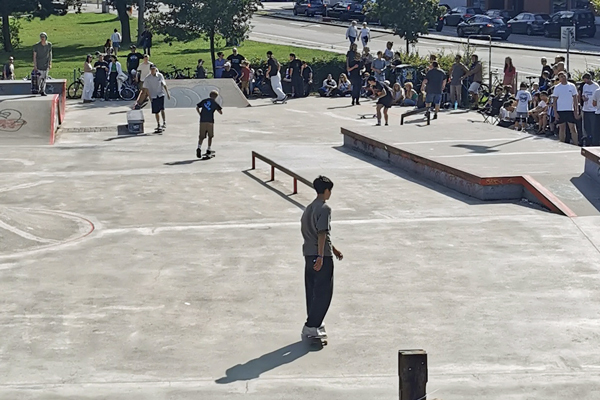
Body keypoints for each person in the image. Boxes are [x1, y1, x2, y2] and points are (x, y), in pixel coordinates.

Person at [300, 175, 343, 340]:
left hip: (308, 253)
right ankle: (311, 326)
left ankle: (315, 322)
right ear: (326, 191)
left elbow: (314, 233)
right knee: (324, 291)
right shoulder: (324, 208)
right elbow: (322, 232)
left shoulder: (309, 208)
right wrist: (321, 256)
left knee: (312, 290)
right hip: (321, 256)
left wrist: (334, 249)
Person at [552, 71, 579, 146]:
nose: (563, 77)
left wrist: (576, 110)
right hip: (561, 110)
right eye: (561, 76)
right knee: (562, 128)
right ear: (559, 78)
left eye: (564, 76)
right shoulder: (557, 88)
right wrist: (555, 112)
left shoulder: (572, 86)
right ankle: (562, 144)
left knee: (573, 128)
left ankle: (575, 144)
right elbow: (554, 101)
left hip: (570, 110)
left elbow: (575, 99)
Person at [196, 90, 223, 158]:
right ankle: (208, 149)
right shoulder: (214, 103)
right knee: (210, 136)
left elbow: (197, 107)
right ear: (216, 97)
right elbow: (220, 112)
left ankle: (199, 148)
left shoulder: (204, 100)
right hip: (210, 121)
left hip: (202, 120)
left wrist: (200, 114)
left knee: (201, 136)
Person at [144, 64, 170, 131]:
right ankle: (158, 123)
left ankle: (164, 122)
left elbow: (164, 84)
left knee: (162, 109)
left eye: (154, 69)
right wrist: (149, 97)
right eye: (152, 69)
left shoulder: (159, 75)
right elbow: (146, 89)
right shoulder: (147, 78)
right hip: (153, 96)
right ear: (150, 70)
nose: (153, 70)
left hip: (160, 94)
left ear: (156, 69)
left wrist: (167, 93)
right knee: (156, 111)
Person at [581, 73, 599, 145]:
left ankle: (594, 141)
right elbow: (583, 94)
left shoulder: (595, 86)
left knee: (593, 126)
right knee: (586, 126)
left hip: (593, 109)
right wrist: (583, 98)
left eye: (586, 79)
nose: (585, 81)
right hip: (586, 108)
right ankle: (588, 139)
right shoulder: (585, 86)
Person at [32, 32, 52, 96]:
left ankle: (43, 90)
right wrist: (35, 65)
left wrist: (50, 63)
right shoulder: (37, 46)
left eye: (43, 37)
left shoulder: (49, 45)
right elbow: (34, 56)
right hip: (39, 64)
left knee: (45, 77)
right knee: (39, 77)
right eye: (41, 37)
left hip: (45, 64)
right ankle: (38, 88)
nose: (42, 38)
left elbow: (50, 54)